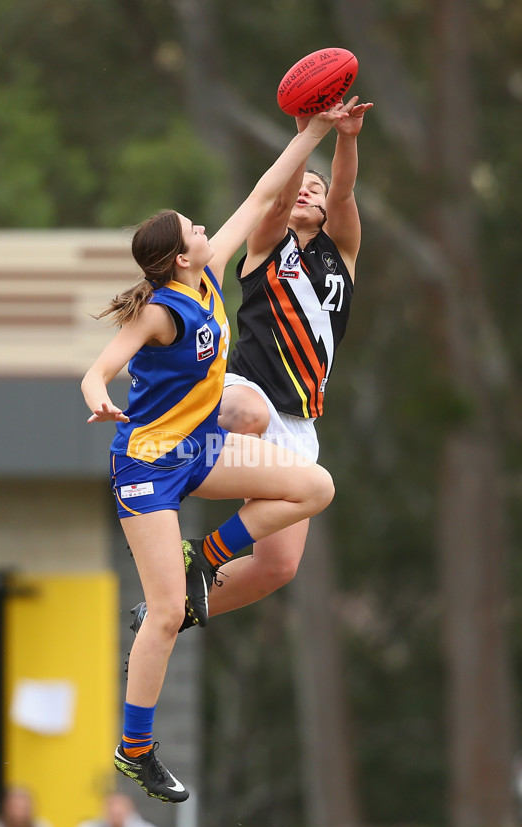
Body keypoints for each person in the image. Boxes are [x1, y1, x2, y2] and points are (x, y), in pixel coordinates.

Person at [81, 102, 355, 804]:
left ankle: (206, 557)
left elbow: (267, 189)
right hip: (146, 467)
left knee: (314, 486)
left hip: (199, 451)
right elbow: (101, 363)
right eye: (193, 231)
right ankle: (134, 749)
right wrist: (96, 390)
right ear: (179, 255)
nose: (206, 230)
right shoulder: (160, 309)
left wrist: (317, 130)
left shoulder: (206, 274)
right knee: (167, 615)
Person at [194, 99, 374, 621]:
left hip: (300, 424)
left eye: (314, 192)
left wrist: (348, 137)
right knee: (248, 415)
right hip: (245, 390)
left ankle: (174, 606)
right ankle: (170, 448)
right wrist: (307, 135)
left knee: (278, 567)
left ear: (323, 210)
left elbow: (342, 189)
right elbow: (274, 199)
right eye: (300, 187)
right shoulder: (269, 243)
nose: (307, 193)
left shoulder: (341, 251)